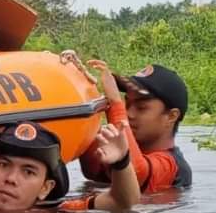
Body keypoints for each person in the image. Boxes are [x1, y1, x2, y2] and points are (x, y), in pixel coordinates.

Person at [79, 61, 193, 194]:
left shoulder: (173, 166)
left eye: (141, 108)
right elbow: (92, 170)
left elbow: (135, 173)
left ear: (171, 116)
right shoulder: (116, 151)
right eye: (126, 104)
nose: (128, 114)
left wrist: (115, 106)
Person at [0, 121, 140, 213]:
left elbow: (122, 202)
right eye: (3, 165)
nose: (11, 178)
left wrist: (122, 161)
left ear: (46, 188)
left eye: (28, 172)